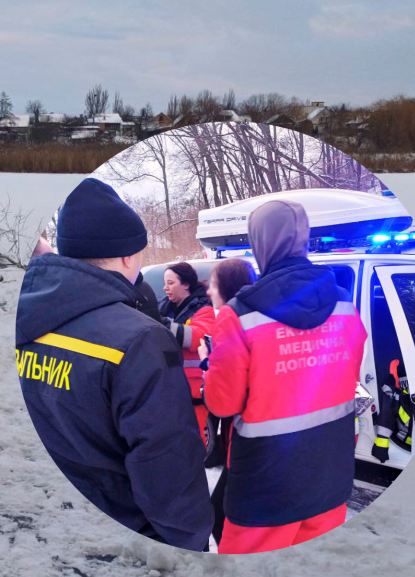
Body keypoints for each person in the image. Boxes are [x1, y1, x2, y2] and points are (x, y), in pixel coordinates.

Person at [16, 177, 213, 551]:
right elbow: (167, 467)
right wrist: (191, 543)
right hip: (131, 531)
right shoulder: (139, 340)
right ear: (127, 255)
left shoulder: (23, 318)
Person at [204, 199, 367, 554]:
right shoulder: (345, 304)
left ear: (259, 242)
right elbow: (346, 376)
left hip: (265, 484)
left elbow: (222, 402)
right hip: (329, 473)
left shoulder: (238, 315)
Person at [195, 257, 258, 546]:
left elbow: (223, 402)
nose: (208, 291)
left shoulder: (230, 322)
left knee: (222, 519)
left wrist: (207, 363)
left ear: (227, 287)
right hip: (260, 440)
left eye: (213, 284)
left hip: (246, 440)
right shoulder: (262, 316)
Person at [160, 262, 215, 449]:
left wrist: (161, 324)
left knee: (193, 443)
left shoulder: (204, 310)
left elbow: (197, 337)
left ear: (186, 284)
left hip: (193, 391)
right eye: (164, 283)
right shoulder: (164, 308)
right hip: (169, 388)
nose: (165, 288)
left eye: (170, 283)